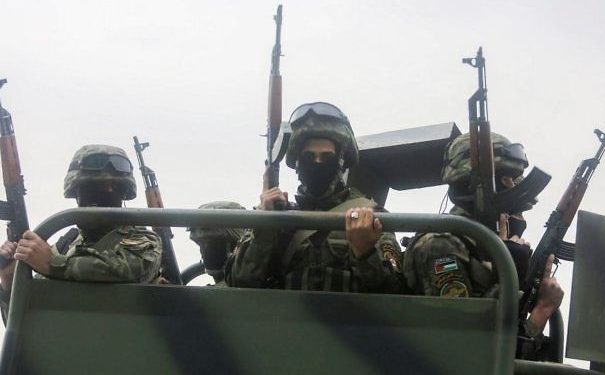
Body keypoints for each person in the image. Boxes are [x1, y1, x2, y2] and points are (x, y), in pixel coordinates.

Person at [403, 132, 564, 356]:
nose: (513, 187)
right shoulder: (442, 245)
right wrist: (540, 307)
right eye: (506, 178)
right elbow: (465, 349)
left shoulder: (481, 244)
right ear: (476, 184)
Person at [227, 102, 403, 293]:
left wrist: (365, 253)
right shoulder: (274, 216)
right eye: (309, 156)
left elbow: (396, 291)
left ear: (341, 162)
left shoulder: (370, 216)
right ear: (297, 162)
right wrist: (265, 227)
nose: (317, 163)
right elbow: (239, 283)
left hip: (351, 321)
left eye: (327, 157)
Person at [0, 145, 162, 300]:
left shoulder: (143, 239)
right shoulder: (66, 244)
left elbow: (129, 269)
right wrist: (10, 280)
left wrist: (52, 263)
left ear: (123, 193)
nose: (108, 191)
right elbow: (34, 311)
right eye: (93, 187)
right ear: (76, 193)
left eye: (114, 187)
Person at [188, 201, 246, 285]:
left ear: (235, 247)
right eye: (201, 244)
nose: (203, 252)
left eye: (213, 244)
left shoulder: (246, 280)